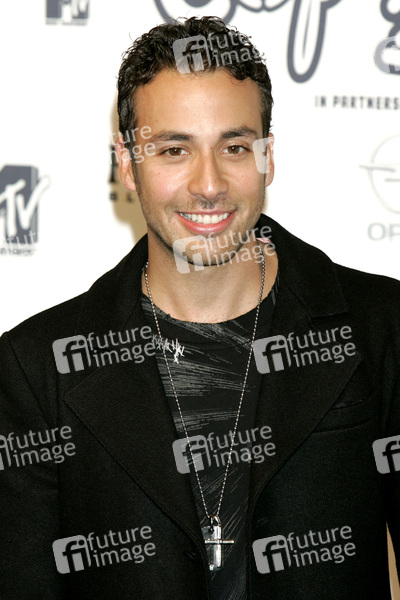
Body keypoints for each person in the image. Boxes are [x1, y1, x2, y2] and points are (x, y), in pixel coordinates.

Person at [1, 15, 400, 600]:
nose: (208, 184)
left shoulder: (382, 326)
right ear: (127, 163)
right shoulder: (35, 367)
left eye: (234, 147)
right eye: (174, 150)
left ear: (267, 156)